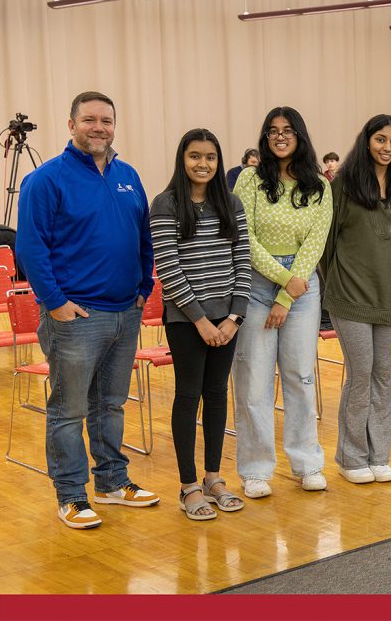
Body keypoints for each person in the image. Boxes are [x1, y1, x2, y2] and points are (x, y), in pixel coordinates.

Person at [17, 91, 159, 529]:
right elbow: (30, 247)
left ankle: (112, 482)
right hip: (75, 318)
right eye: (90, 120)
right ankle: (72, 495)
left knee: (111, 405)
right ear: (71, 124)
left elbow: (143, 238)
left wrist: (143, 288)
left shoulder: (128, 175)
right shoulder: (46, 179)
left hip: (124, 312)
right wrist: (55, 304)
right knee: (69, 410)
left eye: (107, 121)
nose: (99, 128)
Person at [151, 128, 251, 520]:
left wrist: (234, 316)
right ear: (183, 159)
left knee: (217, 395)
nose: (203, 164)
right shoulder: (166, 204)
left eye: (210, 157)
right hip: (185, 321)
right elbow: (169, 269)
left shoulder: (232, 203)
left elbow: (242, 261)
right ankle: (188, 485)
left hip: (227, 319)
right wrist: (200, 321)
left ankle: (213, 477)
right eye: (195, 156)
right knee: (188, 395)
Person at [233, 107, 333, 498]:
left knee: (300, 378)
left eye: (288, 130)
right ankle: (256, 469)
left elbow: (315, 243)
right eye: (272, 131)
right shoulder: (250, 180)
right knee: (253, 384)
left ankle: (307, 462)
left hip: (301, 290)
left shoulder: (320, 186)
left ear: (300, 136)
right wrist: (282, 283)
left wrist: (288, 294)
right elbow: (245, 237)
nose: (279, 136)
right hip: (258, 285)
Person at [322, 115, 391, 484]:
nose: (387, 147)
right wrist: (339, 283)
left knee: (382, 376)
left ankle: (380, 455)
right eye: (380, 139)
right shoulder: (343, 185)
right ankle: (351, 456)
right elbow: (326, 245)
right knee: (360, 375)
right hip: (350, 297)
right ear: (366, 141)